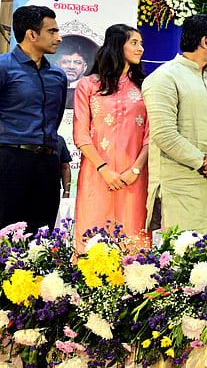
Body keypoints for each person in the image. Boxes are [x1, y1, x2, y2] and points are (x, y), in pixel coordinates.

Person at [0, 5, 68, 234]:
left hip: (46, 166)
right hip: (3, 163)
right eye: (52, 31)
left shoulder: (57, 76)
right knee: (0, 245)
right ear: (31, 34)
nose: (58, 38)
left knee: (41, 245)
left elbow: (54, 123)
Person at [143, 15, 207, 233]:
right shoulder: (163, 78)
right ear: (205, 42)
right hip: (179, 185)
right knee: (179, 258)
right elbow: (164, 134)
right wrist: (205, 164)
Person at [73, 24, 150, 250]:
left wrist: (135, 170)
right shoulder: (88, 85)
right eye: (134, 43)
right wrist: (104, 169)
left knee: (134, 240)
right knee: (93, 238)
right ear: (118, 46)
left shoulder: (145, 87)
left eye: (141, 43)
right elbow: (80, 134)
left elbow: (151, 135)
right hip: (96, 174)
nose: (141, 49)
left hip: (135, 176)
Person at [53, 35, 98, 108]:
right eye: (65, 62)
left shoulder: (93, 90)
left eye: (77, 62)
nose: (71, 67)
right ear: (57, 65)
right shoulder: (48, 88)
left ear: (85, 67)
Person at [57, 134, 72, 198]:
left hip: (53, 188)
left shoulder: (59, 140)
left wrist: (66, 192)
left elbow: (65, 167)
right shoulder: (24, 140)